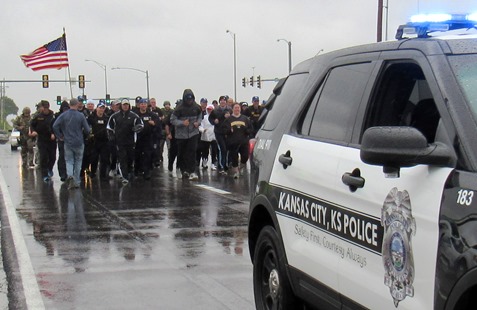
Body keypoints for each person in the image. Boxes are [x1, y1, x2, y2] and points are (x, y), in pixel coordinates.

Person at [53, 98, 91, 189]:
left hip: (67, 141)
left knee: (69, 160)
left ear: (70, 105)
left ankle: (69, 175)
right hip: (79, 141)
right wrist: (87, 133)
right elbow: (87, 130)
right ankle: (76, 180)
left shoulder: (63, 115)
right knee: (78, 161)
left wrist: (60, 136)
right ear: (77, 105)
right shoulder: (81, 115)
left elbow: (55, 126)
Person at [107, 98, 143, 184]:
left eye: (127, 105)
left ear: (129, 105)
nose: (125, 106)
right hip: (119, 142)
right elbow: (109, 127)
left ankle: (130, 172)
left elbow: (141, 125)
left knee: (130, 158)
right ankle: (124, 176)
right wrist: (111, 136)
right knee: (122, 159)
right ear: (121, 106)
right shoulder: (114, 116)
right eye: (124, 105)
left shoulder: (134, 116)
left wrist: (137, 128)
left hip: (131, 141)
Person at [170, 89, 202, 180]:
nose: (189, 101)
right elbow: (172, 120)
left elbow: (200, 116)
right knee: (182, 153)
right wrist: (182, 123)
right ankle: (183, 170)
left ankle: (192, 171)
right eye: (188, 99)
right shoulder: (179, 108)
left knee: (192, 152)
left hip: (193, 133)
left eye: (191, 99)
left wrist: (198, 123)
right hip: (181, 135)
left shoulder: (197, 107)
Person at [30, 100, 57, 182]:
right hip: (42, 139)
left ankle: (50, 169)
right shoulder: (38, 116)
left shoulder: (53, 116)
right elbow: (32, 125)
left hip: (51, 140)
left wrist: (54, 133)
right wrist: (33, 131)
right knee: (43, 157)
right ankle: (44, 174)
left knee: (52, 157)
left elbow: (57, 126)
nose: (42, 109)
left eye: (44, 107)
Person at [224, 103, 253, 179]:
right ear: (232, 109)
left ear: (240, 109)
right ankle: (236, 172)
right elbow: (224, 130)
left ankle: (241, 167)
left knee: (245, 156)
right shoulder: (229, 119)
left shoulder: (245, 119)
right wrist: (229, 131)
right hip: (233, 142)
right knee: (234, 157)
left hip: (243, 141)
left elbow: (250, 128)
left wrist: (247, 131)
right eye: (235, 108)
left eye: (238, 108)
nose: (237, 109)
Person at [135, 98, 159, 180]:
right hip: (138, 138)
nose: (143, 105)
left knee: (148, 155)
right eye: (141, 104)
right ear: (139, 105)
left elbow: (157, 125)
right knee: (137, 154)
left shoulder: (152, 115)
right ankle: (137, 170)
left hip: (148, 138)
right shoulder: (135, 114)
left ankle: (147, 172)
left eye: (145, 104)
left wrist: (154, 124)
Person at [87, 101, 111, 180]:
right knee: (94, 158)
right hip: (94, 141)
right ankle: (92, 173)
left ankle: (103, 175)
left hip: (104, 141)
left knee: (104, 158)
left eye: (103, 108)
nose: (101, 110)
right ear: (97, 108)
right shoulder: (91, 118)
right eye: (100, 108)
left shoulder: (106, 118)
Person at [208, 95, 231, 174]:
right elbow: (210, 119)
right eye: (221, 100)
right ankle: (221, 166)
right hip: (219, 132)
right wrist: (214, 121)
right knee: (222, 149)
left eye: (224, 100)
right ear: (219, 102)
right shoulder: (215, 110)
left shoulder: (229, 110)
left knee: (227, 149)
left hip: (227, 132)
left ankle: (226, 165)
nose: (223, 102)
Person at [53, 100, 70, 181]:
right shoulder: (58, 116)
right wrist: (59, 136)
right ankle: (62, 174)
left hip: (71, 139)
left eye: (67, 108)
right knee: (62, 156)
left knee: (71, 157)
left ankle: (70, 173)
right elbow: (54, 126)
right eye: (64, 109)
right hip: (62, 140)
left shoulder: (71, 115)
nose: (65, 110)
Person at [197, 104, 216, 170]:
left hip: (214, 137)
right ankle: (204, 162)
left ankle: (213, 163)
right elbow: (200, 126)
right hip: (205, 136)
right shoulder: (204, 117)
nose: (209, 111)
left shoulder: (216, 117)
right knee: (205, 151)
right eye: (208, 109)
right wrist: (202, 130)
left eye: (211, 109)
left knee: (214, 151)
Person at [148, 97, 164, 167]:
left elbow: (162, 118)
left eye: (154, 102)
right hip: (149, 131)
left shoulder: (158, 110)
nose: (153, 104)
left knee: (157, 147)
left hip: (157, 131)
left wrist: (158, 119)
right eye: (152, 102)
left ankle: (157, 160)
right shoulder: (148, 110)